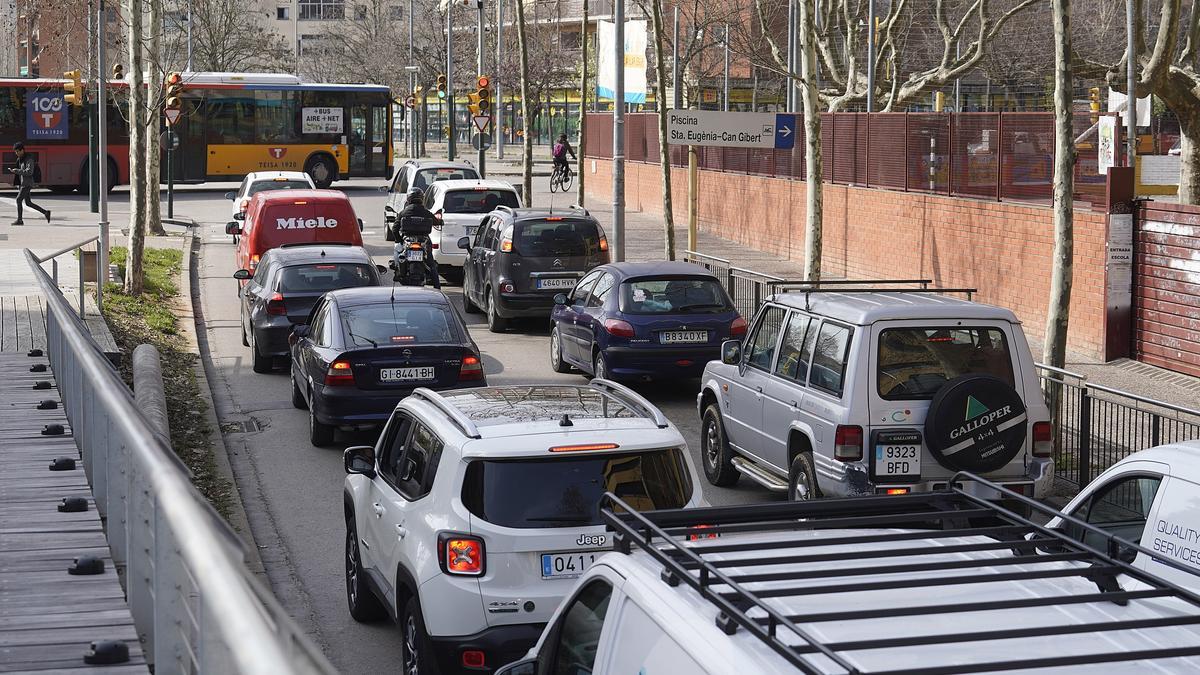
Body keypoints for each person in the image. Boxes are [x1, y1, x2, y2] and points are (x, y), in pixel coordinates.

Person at [394, 189, 440, 289]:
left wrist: (399, 240)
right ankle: (437, 287)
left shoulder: (403, 212)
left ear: (409, 199)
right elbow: (436, 221)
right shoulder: (425, 212)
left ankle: (398, 270)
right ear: (421, 198)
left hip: (408, 241)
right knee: (431, 264)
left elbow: (394, 228)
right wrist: (440, 222)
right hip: (424, 241)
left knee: (398, 255)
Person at [8, 142, 50, 226]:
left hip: (27, 184)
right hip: (23, 184)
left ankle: (20, 220)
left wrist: (16, 171)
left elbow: (29, 172)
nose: (16, 153)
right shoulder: (21, 159)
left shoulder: (29, 159)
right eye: (15, 152)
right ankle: (46, 212)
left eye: (17, 151)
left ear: (22, 150)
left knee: (18, 200)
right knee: (28, 203)